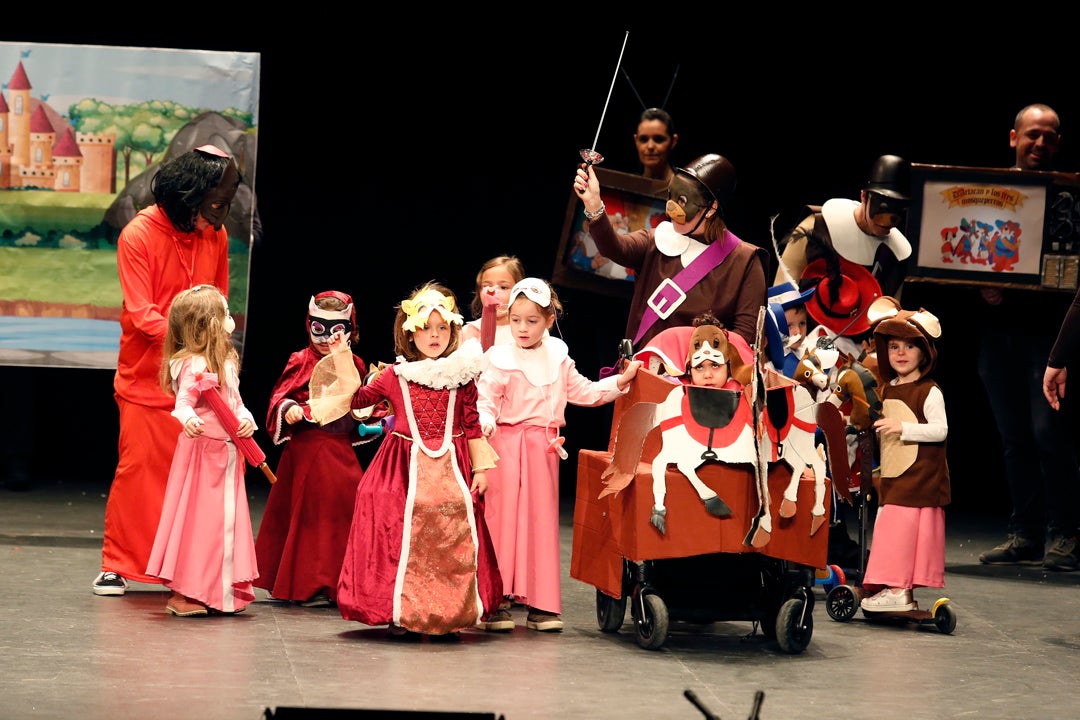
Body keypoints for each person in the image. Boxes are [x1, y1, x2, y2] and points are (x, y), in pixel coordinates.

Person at [92, 145, 241, 597]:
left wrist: (215, 355)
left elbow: (218, 304)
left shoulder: (214, 236)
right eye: (213, 207)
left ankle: (184, 565)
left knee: (194, 477)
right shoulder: (138, 235)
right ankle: (117, 563)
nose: (218, 220)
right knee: (138, 470)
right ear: (187, 195)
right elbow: (142, 313)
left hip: (199, 380)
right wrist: (192, 346)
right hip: (146, 375)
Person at [323, 282, 503, 637]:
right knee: (394, 521)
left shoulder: (461, 375)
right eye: (425, 329)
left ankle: (450, 612)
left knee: (451, 532)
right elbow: (358, 401)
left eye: (441, 328)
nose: (434, 336)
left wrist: (481, 467)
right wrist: (342, 358)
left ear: (452, 331)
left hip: (450, 465)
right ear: (410, 334)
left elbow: (469, 423)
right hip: (402, 465)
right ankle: (401, 611)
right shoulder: (395, 375)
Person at [475, 278, 640, 632]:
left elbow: (584, 392)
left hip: (543, 447)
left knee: (541, 522)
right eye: (516, 320)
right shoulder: (500, 358)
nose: (522, 328)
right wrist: (486, 421)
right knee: (501, 522)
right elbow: (485, 399)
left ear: (549, 320)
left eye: (531, 321)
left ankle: (542, 605)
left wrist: (619, 383)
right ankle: (495, 601)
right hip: (504, 444)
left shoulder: (558, 356)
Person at [978, 103, 1079, 572]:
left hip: (1050, 338)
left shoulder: (1070, 196)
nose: (1041, 144)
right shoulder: (985, 192)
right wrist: (982, 285)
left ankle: (1064, 535)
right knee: (1013, 437)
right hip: (1000, 336)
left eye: (1050, 137)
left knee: (1049, 434)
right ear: (1013, 136)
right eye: (1033, 135)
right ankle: (1026, 533)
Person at [254, 290, 384, 608]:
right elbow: (279, 397)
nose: (327, 339)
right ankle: (309, 581)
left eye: (336, 331)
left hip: (338, 450)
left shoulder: (353, 363)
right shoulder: (300, 360)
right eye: (320, 329)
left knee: (342, 515)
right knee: (312, 519)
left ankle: (338, 582)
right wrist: (289, 409)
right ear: (309, 325)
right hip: (308, 450)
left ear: (350, 329)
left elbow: (361, 402)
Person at [573, 153, 767, 348]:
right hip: (644, 369)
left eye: (682, 200)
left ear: (710, 208)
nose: (670, 209)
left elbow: (745, 338)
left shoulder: (745, 261)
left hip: (703, 376)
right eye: (671, 196)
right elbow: (615, 247)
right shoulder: (657, 240)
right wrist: (594, 203)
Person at [144, 284, 258, 616]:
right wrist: (190, 418)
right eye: (223, 313)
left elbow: (235, 402)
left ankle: (218, 591)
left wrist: (246, 420)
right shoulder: (190, 364)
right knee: (199, 523)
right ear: (208, 323)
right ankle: (188, 592)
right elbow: (183, 403)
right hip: (203, 455)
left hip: (227, 454)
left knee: (222, 523)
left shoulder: (225, 360)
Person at [859, 299, 950, 611]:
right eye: (893, 346)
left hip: (919, 477)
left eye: (909, 347)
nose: (899, 353)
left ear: (924, 352)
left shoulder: (928, 391)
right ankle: (892, 588)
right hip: (896, 474)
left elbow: (940, 430)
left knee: (900, 531)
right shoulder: (888, 388)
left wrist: (904, 427)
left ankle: (899, 590)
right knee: (891, 529)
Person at [775, 154, 913, 303]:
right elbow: (782, 291)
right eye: (883, 206)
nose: (889, 220)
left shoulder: (896, 256)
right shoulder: (816, 228)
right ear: (864, 197)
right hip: (805, 322)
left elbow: (890, 311)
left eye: (898, 210)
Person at [461, 255, 527, 349]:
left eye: (503, 287)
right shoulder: (469, 332)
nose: (492, 292)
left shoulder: (526, 333)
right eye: (486, 286)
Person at [634, 107, 679, 183]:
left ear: (673, 141)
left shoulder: (685, 190)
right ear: (636, 140)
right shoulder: (629, 186)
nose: (650, 146)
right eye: (643, 140)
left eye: (659, 139)